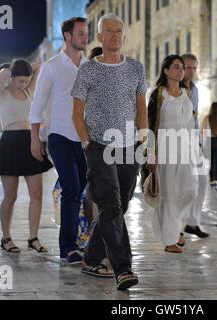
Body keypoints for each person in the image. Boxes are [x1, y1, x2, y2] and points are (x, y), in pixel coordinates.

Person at [71, 14, 148, 290]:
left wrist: (143, 141)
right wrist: (85, 141)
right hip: (99, 146)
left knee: (120, 205)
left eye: (118, 31)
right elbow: (77, 111)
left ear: (124, 37)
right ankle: (123, 268)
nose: (114, 35)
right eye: (108, 31)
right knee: (111, 204)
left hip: (129, 146)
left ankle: (91, 257)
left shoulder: (136, 69)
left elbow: (141, 107)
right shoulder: (88, 70)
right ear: (100, 37)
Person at [30, 17, 89, 264]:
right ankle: (68, 247)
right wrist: (35, 138)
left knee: (81, 190)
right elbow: (37, 104)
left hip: (85, 139)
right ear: (67, 36)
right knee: (72, 187)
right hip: (59, 135)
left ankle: (81, 241)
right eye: (81, 34)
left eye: (87, 34)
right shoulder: (52, 66)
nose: (86, 38)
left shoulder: (90, 67)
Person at [0, 59, 53, 253]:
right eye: (21, 80)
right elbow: (5, 72)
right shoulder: (0, 93)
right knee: (10, 195)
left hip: (30, 141)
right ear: (12, 77)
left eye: (27, 80)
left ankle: (33, 237)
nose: (25, 84)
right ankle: (6, 238)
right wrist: (15, 68)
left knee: (36, 193)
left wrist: (27, 71)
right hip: (10, 143)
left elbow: (40, 64)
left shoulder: (28, 91)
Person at [147, 55, 197, 254]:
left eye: (182, 68)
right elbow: (150, 125)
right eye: (176, 67)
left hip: (183, 150)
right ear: (166, 71)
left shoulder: (186, 93)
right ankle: (170, 239)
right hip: (164, 150)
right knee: (167, 195)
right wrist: (150, 153)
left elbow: (190, 125)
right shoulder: (158, 94)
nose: (181, 71)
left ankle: (168, 223)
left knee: (189, 190)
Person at [180, 53, 209, 240]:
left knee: (202, 181)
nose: (191, 72)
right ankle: (176, 226)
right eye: (187, 68)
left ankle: (192, 222)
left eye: (194, 68)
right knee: (181, 186)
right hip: (175, 141)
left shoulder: (196, 89)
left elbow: (195, 116)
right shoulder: (173, 89)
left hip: (193, 142)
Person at [201, 102, 217, 191]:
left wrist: (203, 143)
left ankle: (211, 180)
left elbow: (202, 131)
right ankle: (216, 181)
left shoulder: (207, 118)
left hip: (210, 141)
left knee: (211, 162)